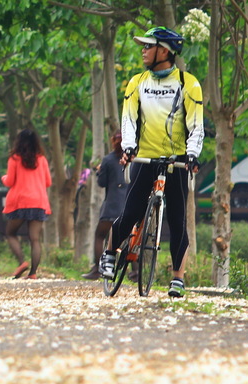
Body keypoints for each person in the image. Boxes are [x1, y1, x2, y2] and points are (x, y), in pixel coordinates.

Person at [99, 26, 204, 298]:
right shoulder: (137, 82)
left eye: (148, 46)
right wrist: (129, 147)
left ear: (165, 51)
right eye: (143, 46)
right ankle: (110, 253)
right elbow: (129, 120)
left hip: (177, 161)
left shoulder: (188, 83)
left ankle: (177, 279)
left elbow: (196, 125)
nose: (143, 50)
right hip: (144, 158)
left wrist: (192, 154)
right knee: (131, 212)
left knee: (178, 220)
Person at [1, 128, 51, 279]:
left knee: (10, 233)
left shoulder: (15, 159)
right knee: (34, 239)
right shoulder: (41, 159)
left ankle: (22, 262)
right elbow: (48, 182)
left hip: (20, 201)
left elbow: (9, 181)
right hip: (38, 201)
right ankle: (33, 273)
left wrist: (3, 178)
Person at [83, 132, 126, 280]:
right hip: (128, 205)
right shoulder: (136, 158)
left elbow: (102, 183)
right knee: (132, 239)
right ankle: (136, 271)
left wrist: (99, 171)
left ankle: (97, 268)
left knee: (100, 236)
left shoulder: (108, 160)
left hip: (112, 206)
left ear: (113, 142)